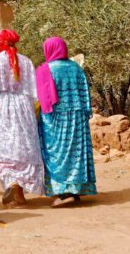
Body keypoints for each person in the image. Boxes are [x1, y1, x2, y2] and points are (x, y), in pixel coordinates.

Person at [0, 29, 43, 205]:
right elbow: (33, 92)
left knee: (4, 148)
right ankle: (19, 192)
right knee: (23, 148)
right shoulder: (26, 62)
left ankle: (12, 183)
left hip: (2, 107)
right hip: (23, 108)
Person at [36, 37, 97, 207]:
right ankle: (76, 190)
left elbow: (41, 99)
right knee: (76, 153)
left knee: (57, 153)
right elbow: (86, 95)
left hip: (55, 119)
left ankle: (63, 193)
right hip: (77, 119)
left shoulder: (45, 70)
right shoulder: (77, 68)